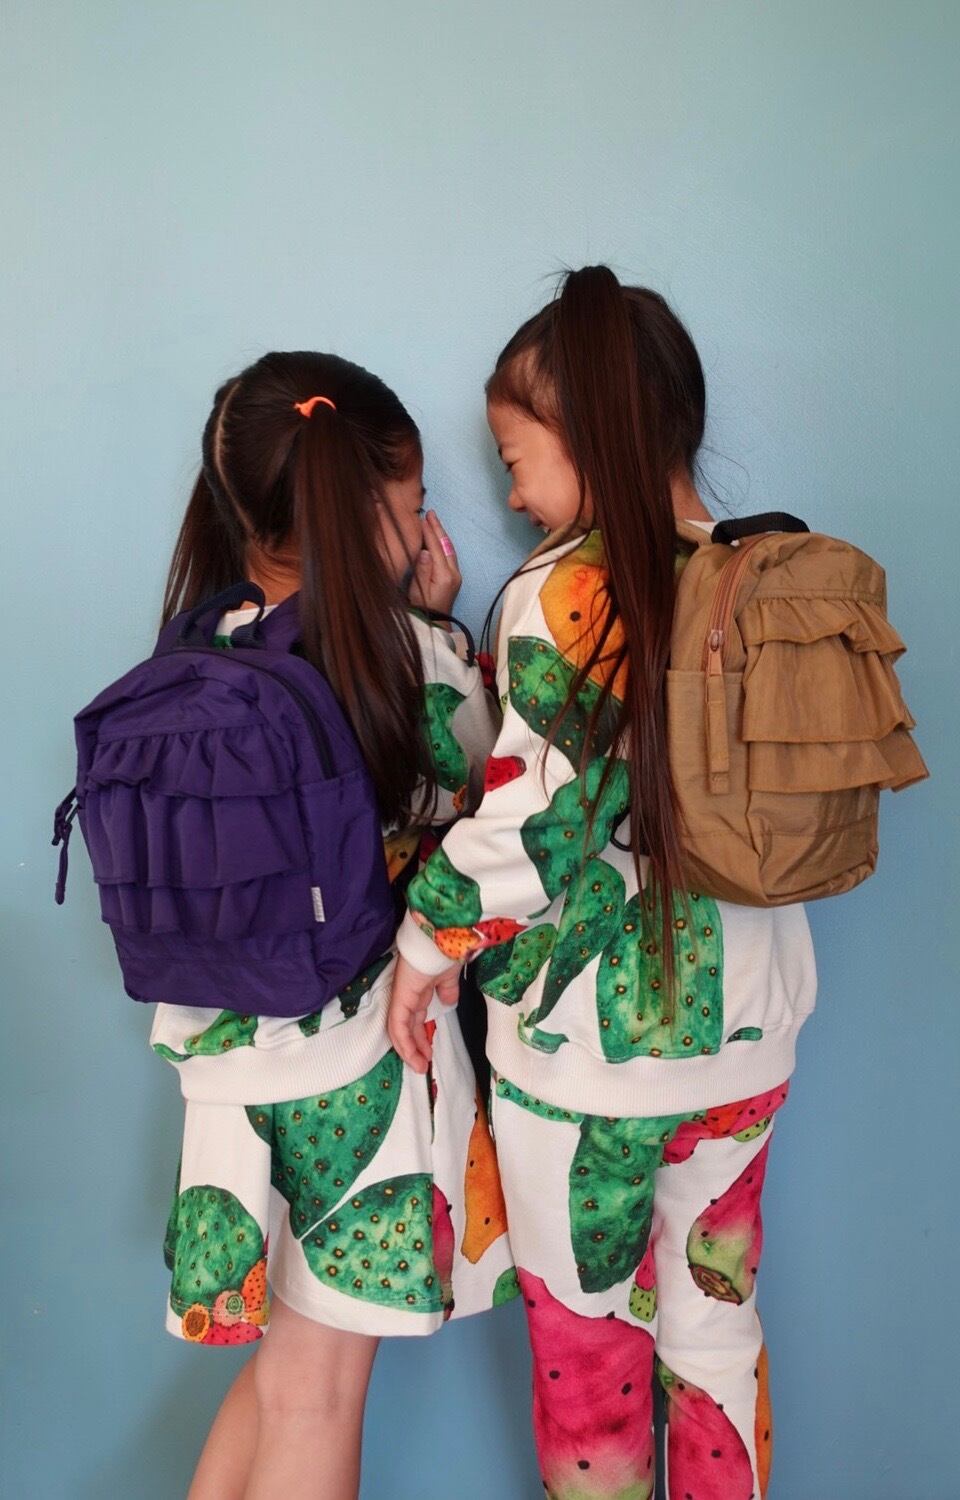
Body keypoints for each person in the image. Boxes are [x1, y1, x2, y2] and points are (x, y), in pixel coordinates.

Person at [389, 267, 816, 1500]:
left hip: (584, 1067)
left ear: (588, 433)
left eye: (518, 460)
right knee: (718, 1333)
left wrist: (423, 946)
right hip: (745, 1050)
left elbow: (533, 825)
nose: (513, 496)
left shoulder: (559, 593)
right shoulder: (758, 572)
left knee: (588, 1362)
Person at [156, 351, 514, 1500]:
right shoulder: (398, 652)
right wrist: (441, 627)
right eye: (414, 504)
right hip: (354, 1068)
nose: (422, 526)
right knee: (320, 1393)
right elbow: (485, 787)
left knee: (279, 1378)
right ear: (368, 516)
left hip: (225, 1069)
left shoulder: (200, 647)